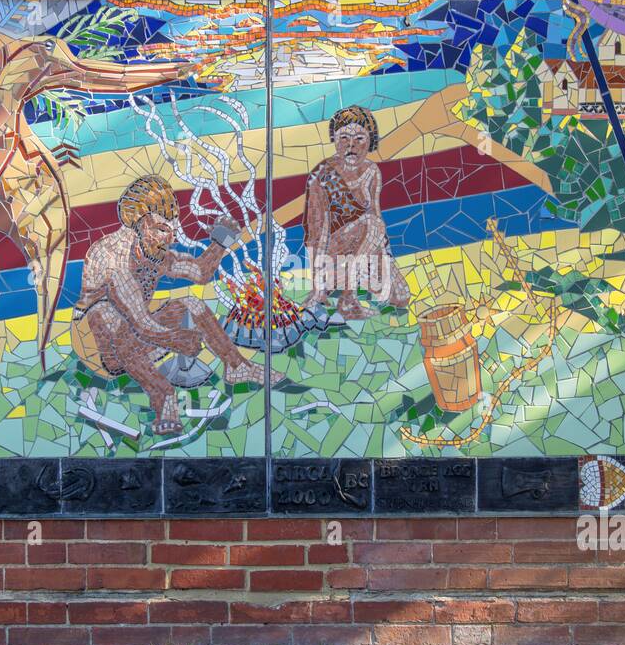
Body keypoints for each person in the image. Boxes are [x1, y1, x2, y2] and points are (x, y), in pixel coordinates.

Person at [70, 175, 281, 436]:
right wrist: (175, 339)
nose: (169, 238)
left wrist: (220, 242)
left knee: (191, 304)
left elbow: (199, 272)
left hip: (135, 337)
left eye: (172, 230)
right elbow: (140, 324)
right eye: (161, 229)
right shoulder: (114, 257)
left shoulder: (153, 249)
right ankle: (163, 396)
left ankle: (237, 367)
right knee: (110, 316)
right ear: (140, 223)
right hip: (99, 349)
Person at [301, 106, 410, 321]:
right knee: (372, 223)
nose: (351, 146)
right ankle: (347, 298)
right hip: (331, 258)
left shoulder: (372, 172)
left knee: (401, 296)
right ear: (334, 140)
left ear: (371, 141)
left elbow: (376, 225)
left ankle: (354, 283)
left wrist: (384, 263)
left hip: (362, 253)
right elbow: (317, 234)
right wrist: (318, 287)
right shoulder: (321, 175)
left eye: (359, 138)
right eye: (344, 138)